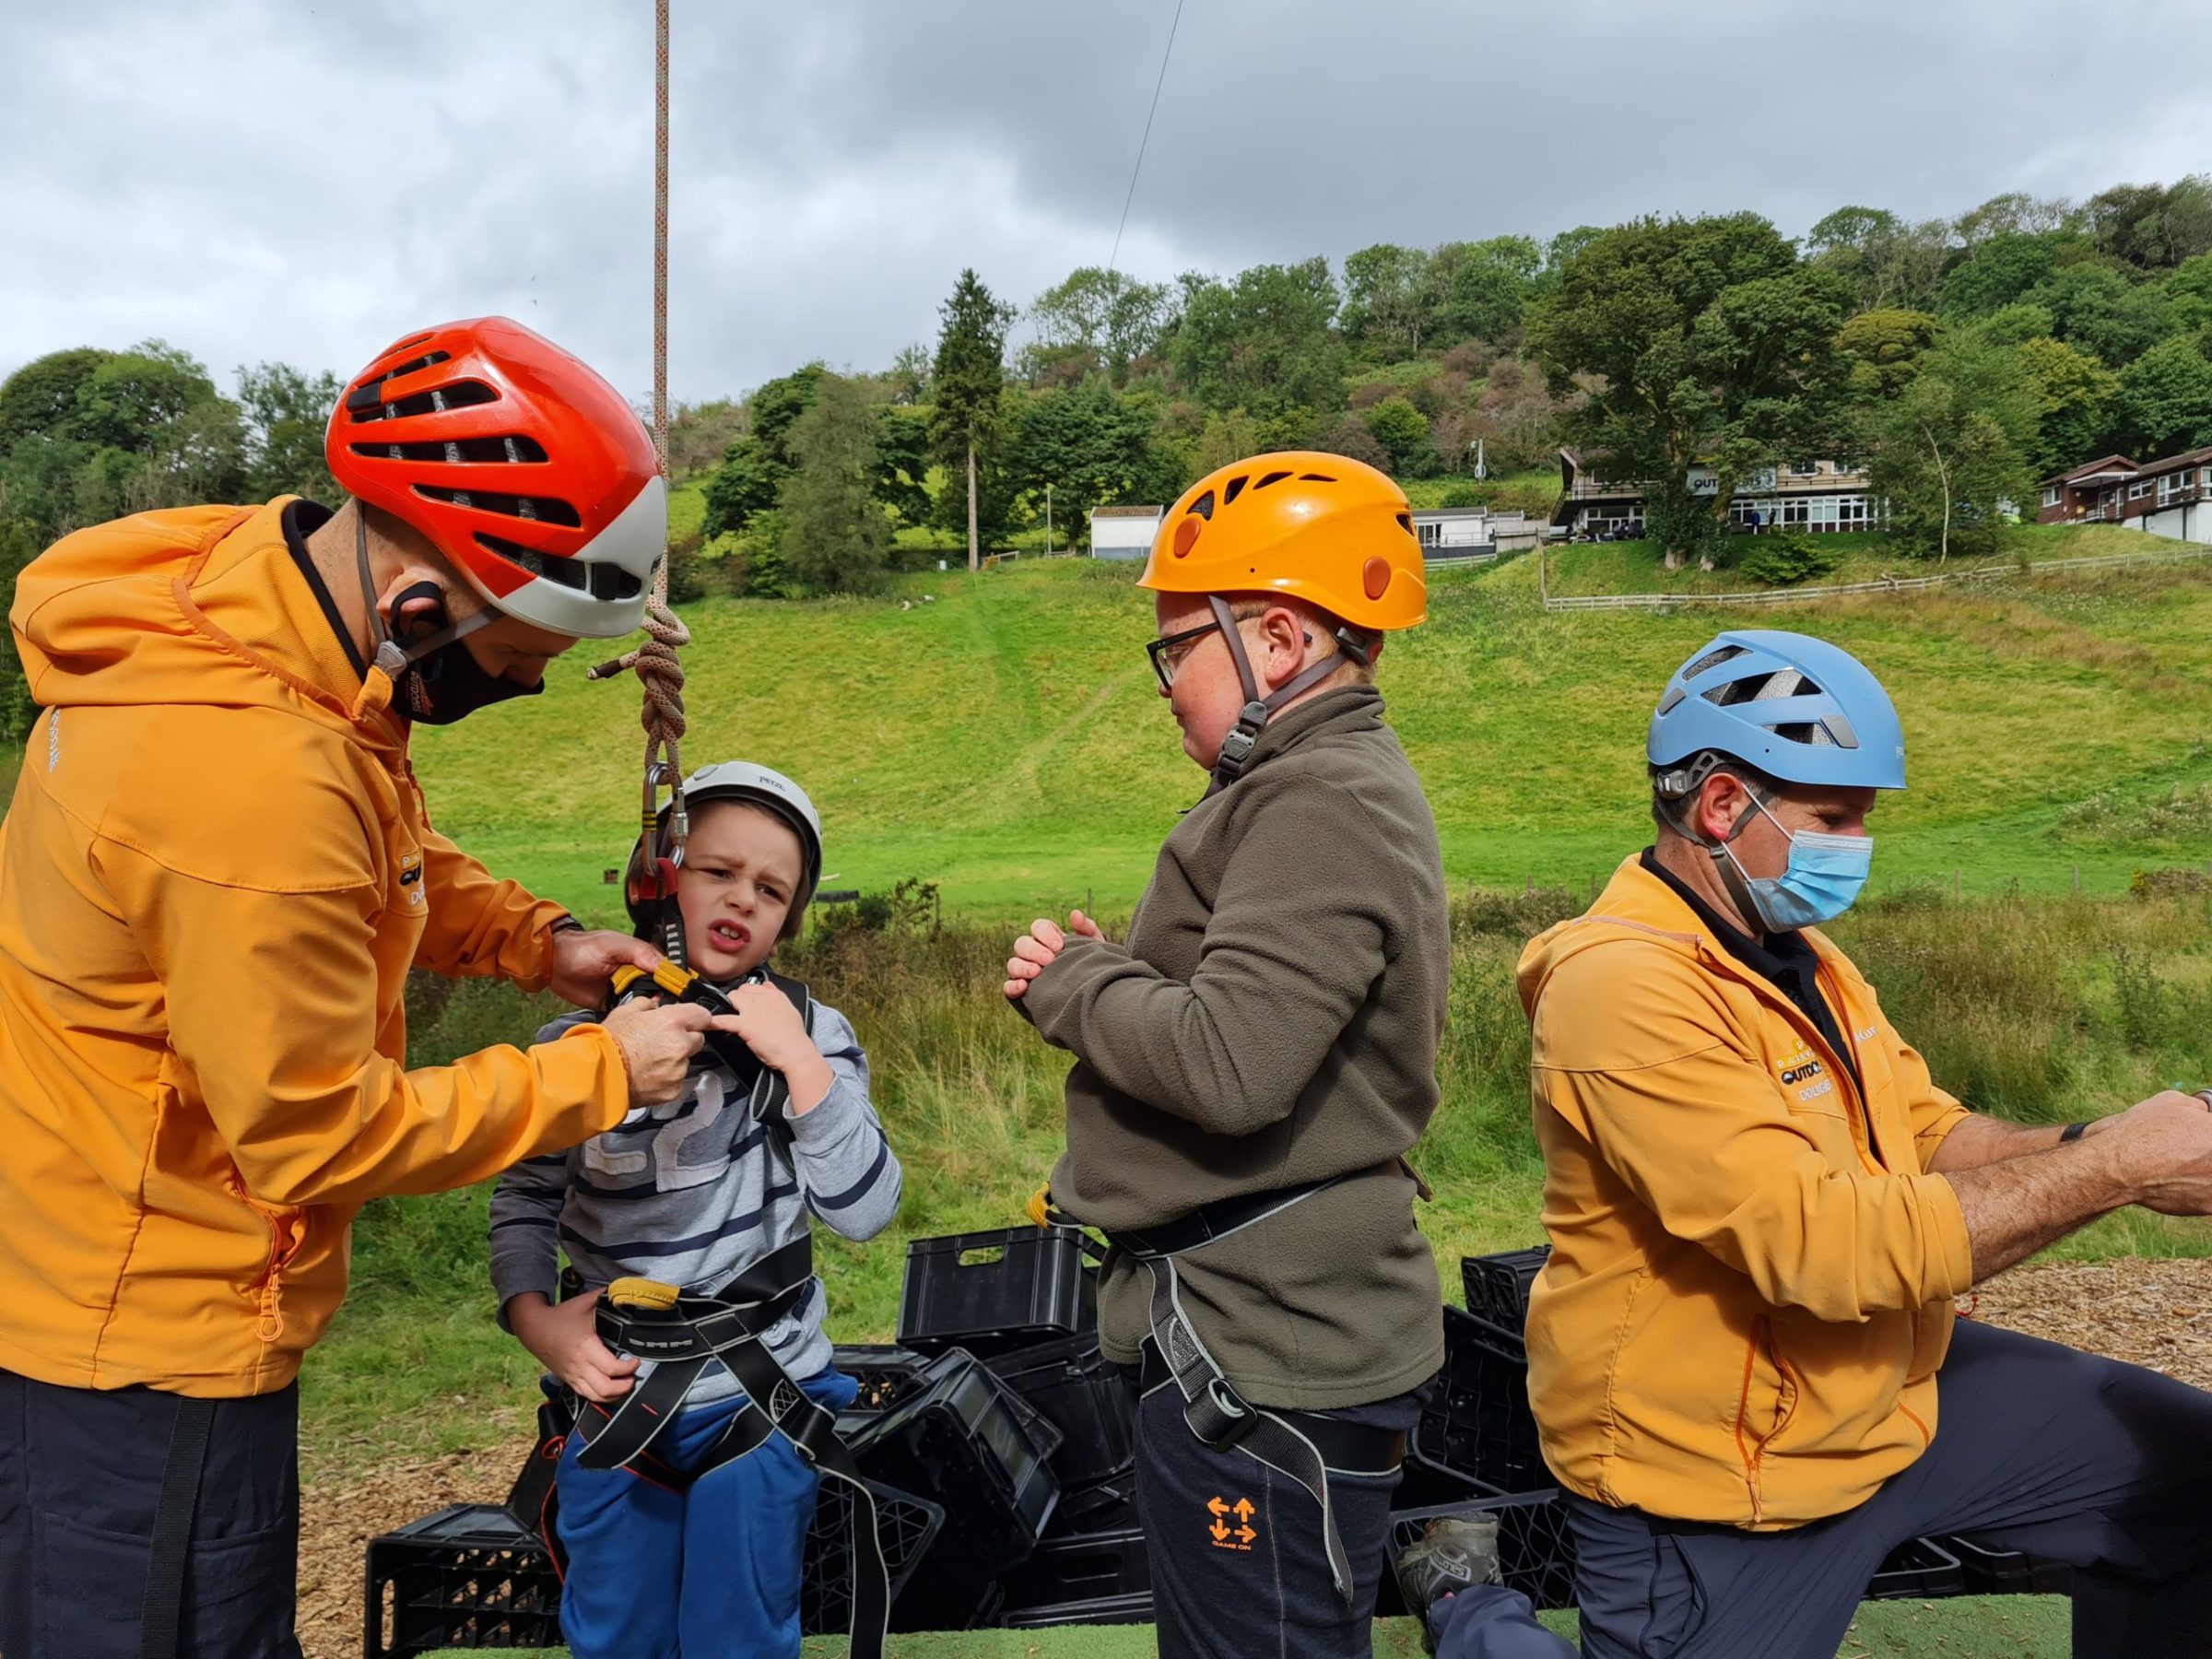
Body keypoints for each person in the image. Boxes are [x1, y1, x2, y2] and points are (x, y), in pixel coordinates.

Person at [0, 317, 726, 1659]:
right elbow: (315, 1127)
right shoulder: (242, 778)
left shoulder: (237, 606)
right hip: (150, 1338)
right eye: (521, 658)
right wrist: (601, 1072)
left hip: (94, 1280)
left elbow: (365, 839)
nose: (529, 683)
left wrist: (536, 939)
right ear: (420, 598)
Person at [1413, 627, 2212, 1659]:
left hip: (1884, 1402)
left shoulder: (1802, 956)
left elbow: (1923, 1131)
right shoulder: (1621, 988)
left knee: (2193, 1480)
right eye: (1834, 817)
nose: (1858, 845)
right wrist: (2113, 1168)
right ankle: (1466, 1604)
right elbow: (1825, 1252)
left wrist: (2112, 1140)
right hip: (1722, 1475)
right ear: (1719, 806)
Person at [1004, 453, 1449, 1659]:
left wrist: (1073, 983)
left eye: (1176, 647)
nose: (1161, 682)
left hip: (1267, 1362)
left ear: (1282, 640)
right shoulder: (1307, 786)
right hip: (1252, 1347)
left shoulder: (1320, 802)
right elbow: (1242, 1016)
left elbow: (1232, 1067)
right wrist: (1130, 983)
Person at [489, 760, 901, 1659]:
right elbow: (524, 1200)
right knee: (615, 1634)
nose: (741, 899)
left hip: (759, 1395)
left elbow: (866, 1210)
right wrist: (535, 1321)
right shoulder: (574, 1049)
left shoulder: (808, 1036)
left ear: (788, 918)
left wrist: (799, 1066)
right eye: (718, 871)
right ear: (659, 876)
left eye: (770, 889)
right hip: (614, 1397)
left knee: (736, 1637)